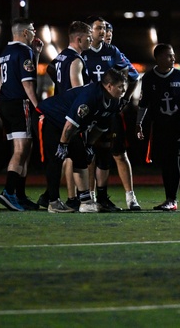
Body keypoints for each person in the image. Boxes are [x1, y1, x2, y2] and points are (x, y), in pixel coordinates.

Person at [36, 67, 129, 213]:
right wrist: (62, 144)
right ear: (109, 86)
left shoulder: (114, 102)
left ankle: (85, 201)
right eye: (120, 86)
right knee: (57, 158)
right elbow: (70, 123)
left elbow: (100, 127)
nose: (124, 90)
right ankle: (53, 202)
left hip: (69, 125)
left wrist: (89, 145)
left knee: (81, 157)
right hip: (52, 119)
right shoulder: (90, 96)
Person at [83, 17, 141, 212]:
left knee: (116, 153)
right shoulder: (81, 52)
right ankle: (88, 197)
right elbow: (57, 70)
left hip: (110, 111)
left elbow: (132, 75)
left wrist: (123, 99)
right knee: (87, 154)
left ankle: (130, 198)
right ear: (89, 31)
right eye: (100, 28)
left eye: (107, 29)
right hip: (89, 111)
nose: (105, 33)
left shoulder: (113, 52)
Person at [40, 20, 92, 211]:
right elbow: (79, 93)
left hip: (56, 112)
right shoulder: (76, 60)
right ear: (79, 39)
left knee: (72, 157)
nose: (91, 41)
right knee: (75, 157)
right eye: (88, 38)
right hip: (65, 117)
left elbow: (51, 69)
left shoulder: (61, 56)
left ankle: (63, 199)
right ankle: (58, 201)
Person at [0, 18, 42, 211]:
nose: (34, 33)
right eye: (32, 29)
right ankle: (9, 191)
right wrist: (39, 107)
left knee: (24, 149)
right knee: (22, 150)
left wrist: (36, 54)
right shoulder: (23, 51)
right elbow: (28, 83)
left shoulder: (6, 52)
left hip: (5, 104)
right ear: (24, 33)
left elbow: (26, 73)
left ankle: (19, 195)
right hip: (19, 103)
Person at [137, 43, 180, 210]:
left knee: (173, 161)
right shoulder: (148, 78)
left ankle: (172, 199)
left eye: (173, 55)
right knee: (164, 162)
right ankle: (169, 199)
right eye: (169, 55)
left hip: (177, 126)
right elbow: (143, 104)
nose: (173, 58)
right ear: (159, 58)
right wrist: (138, 123)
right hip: (159, 126)